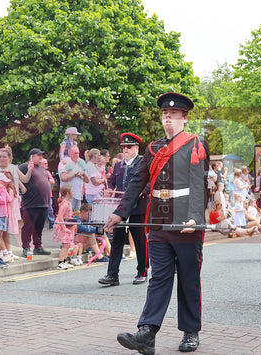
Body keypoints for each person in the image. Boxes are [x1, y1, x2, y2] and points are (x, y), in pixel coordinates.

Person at [106, 92, 209, 354]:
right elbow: (136, 185)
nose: (168, 119)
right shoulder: (153, 149)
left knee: (188, 277)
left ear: (184, 118)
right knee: (159, 278)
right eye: (165, 115)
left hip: (185, 220)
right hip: (158, 221)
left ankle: (190, 331)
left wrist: (196, 217)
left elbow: (199, 186)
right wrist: (120, 213)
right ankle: (147, 333)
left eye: (173, 115)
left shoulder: (195, 144)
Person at [100, 132, 149, 286]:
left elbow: (149, 182)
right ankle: (112, 275)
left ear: (136, 147)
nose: (125, 149)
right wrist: (109, 188)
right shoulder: (118, 164)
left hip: (138, 208)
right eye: (123, 147)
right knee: (117, 241)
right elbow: (112, 181)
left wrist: (143, 191)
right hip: (120, 208)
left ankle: (142, 272)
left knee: (140, 241)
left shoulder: (143, 162)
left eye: (129, 146)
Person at [19, 148, 52, 257]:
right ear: (32, 156)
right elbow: (15, 175)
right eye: (39, 155)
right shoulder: (25, 166)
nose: (41, 157)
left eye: (42, 155)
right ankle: (26, 247)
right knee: (28, 226)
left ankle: (38, 246)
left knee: (39, 226)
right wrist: (21, 187)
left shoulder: (41, 168)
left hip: (43, 203)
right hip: (31, 202)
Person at [53, 185, 79, 269]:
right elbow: (60, 216)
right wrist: (64, 228)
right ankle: (60, 262)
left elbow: (66, 215)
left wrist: (73, 215)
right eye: (72, 191)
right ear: (68, 193)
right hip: (64, 226)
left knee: (67, 245)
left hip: (68, 226)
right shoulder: (65, 204)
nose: (73, 193)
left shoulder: (68, 203)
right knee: (65, 245)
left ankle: (64, 261)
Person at [59, 145, 89, 212]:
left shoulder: (81, 163)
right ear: (69, 154)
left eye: (78, 153)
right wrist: (75, 174)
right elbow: (63, 177)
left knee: (76, 217)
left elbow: (87, 180)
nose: (77, 155)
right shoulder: (64, 162)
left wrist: (83, 174)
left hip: (78, 195)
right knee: (67, 217)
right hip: (67, 196)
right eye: (75, 153)